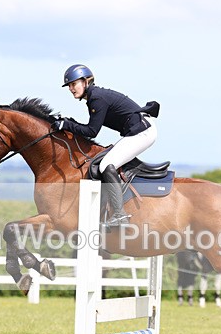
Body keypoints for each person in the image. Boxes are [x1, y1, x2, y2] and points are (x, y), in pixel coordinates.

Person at [52, 64, 160, 227]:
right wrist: (69, 123)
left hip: (142, 131)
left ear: (86, 81)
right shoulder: (93, 97)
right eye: (69, 86)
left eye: (74, 84)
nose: (71, 89)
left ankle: (119, 215)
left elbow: (91, 131)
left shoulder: (96, 98)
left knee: (106, 165)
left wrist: (67, 125)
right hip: (138, 130)